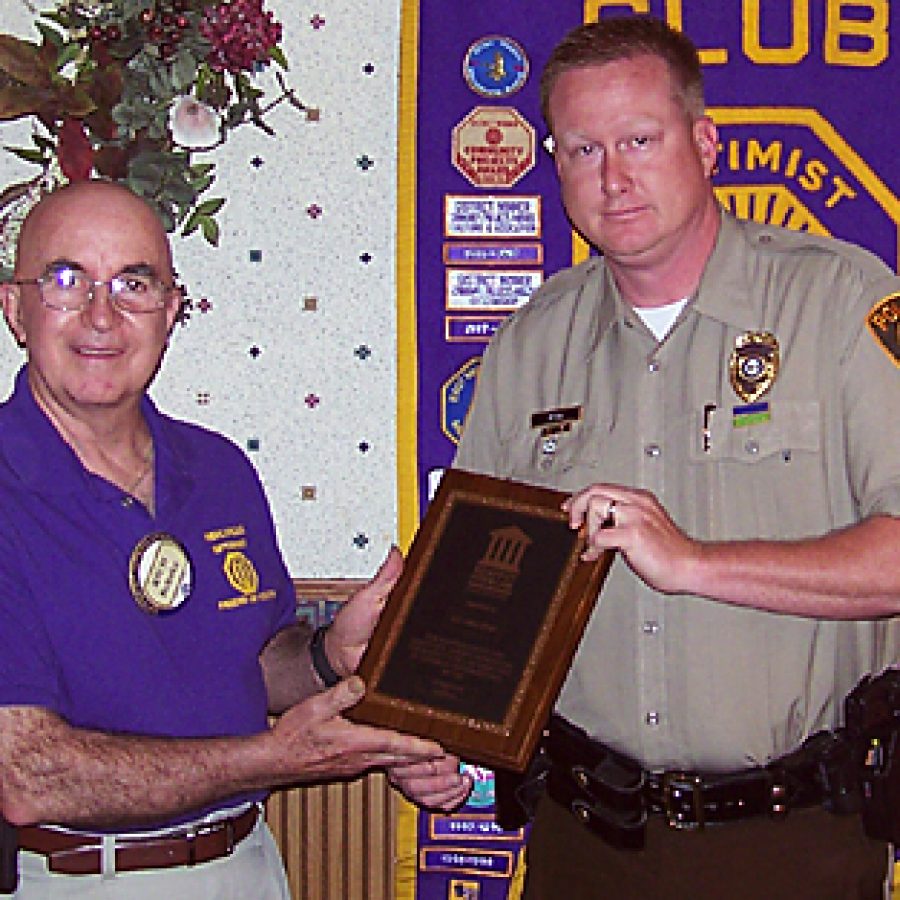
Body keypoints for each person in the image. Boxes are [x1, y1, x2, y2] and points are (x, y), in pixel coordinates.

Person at [454, 14, 900, 900]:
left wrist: (695, 563)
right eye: (582, 150)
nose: (613, 179)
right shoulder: (532, 343)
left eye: (639, 140)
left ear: (704, 142)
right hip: (583, 838)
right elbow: (481, 589)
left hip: (790, 840)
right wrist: (438, 732)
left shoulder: (846, 305)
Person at [0, 179, 471, 898]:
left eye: (134, 282)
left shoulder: (218, 468)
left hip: (248, 866)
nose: (102, 315)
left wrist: (327, 657)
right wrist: (274, 758)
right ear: (16, 309)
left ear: (171, 311)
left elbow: (248, 661)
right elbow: (28, 774)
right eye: (67, 281)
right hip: (73, 878)